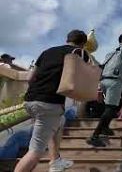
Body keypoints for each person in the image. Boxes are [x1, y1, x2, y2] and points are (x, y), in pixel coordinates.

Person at [14, 30, 89, 172]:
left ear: (67, 39)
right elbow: (77, 80)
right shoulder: (79, 53)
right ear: (83, 43)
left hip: (30, 100)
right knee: (35, 151)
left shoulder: (47, 52)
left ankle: (55, 161)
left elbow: (30, 78)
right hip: (49, 103)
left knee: (59, 122)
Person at [87, 33, 122, 147]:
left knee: (113, 106)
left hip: (104, 81)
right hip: (115, 81)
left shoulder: (111, 53)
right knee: (111, 108)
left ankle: (105, 128)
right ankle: (95, 136)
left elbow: (102, 66)